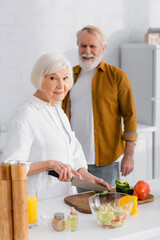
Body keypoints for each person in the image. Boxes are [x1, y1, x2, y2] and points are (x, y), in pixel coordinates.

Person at [2, 53, 111, 199]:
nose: (61, 86)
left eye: (65, 78)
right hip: (39, 202)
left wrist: (85, 174)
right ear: (40, 79)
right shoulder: (25, 115)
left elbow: (73, 150)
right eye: (53, 78)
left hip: (64, 198)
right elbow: (9, 168)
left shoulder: (57, 110)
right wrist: (49, 164)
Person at [62, 25, 138, 187]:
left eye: (92, 46)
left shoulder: (117, 76)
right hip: (76, 160)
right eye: (83, 45)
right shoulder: (68, 76)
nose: (87, 51)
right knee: (80, 208)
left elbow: (130, 115)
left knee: (107, 207)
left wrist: (129, 155)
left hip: (107, 161)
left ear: (103, 48)